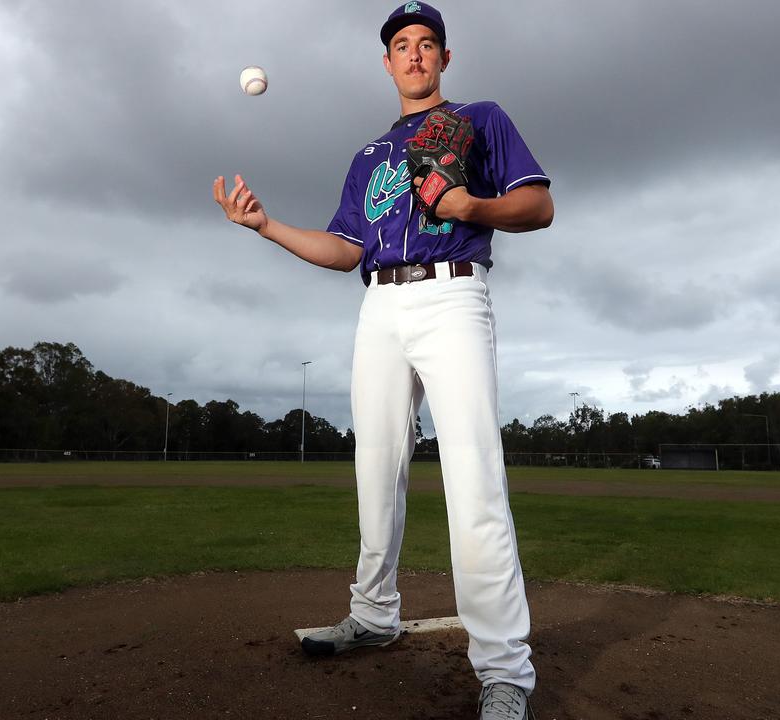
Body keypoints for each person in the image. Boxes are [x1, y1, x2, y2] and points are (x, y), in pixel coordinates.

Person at [212, 4, 552, 718]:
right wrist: (265, 225)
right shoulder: (368, 157)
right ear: (388, 62)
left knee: (473, 478)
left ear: (445, 59)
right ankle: (373, 615)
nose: (416, 54)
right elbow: (347, 251)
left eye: (428, 43)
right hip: (380, 308)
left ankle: (505, 672)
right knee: (375, 473)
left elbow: (538, 206)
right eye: (403, 44)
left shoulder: (480, 119)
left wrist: (469, 205)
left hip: (454, 297)